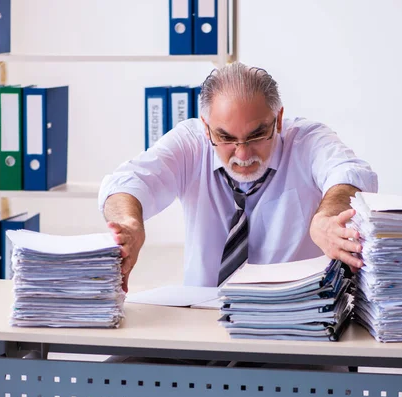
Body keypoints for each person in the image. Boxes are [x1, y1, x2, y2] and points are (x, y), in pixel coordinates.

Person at [98, 61, 378, 293]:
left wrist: (326, 217)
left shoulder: (307, 140)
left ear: (278, 119)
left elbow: (351, 175)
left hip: (296, 323)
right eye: (226, 138)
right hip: (204, 322)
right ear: (207, 128)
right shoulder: (191, 143)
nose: (242, 155)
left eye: (257, 135)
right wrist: (129, 223)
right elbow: (128, 181)